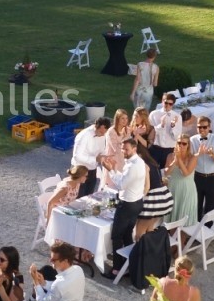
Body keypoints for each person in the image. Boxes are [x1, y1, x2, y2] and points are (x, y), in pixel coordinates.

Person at [106, 138, 146, 275]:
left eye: (126, 149)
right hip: (137, 202)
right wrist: (115, 170)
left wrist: (111, 171)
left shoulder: (132, 165)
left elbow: (122, 184)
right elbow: (125, 179)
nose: (123, 151)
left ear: (134, 149)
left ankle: (117, 269)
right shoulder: (139, 162)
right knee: (127, 234)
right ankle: (128, 264)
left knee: (116, 236)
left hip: (128, 205)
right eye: (122, 148)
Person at [190, 116, 214, 218]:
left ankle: (208, 230)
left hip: (212, 178)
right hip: (198, 177)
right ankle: (196, 229)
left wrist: (212, 154)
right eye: (199, 127)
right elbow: (190, 159)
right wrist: (198, 154)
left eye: (204, 127)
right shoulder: (192, 140)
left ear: (209, 127)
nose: (202, 130)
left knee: (210, 207)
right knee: (196, 206)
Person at [70, 117, 109, 198]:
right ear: (96, 126)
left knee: (89, 196)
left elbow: (102, 149)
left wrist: (104, 157)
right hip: (79, 170)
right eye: (101, 131)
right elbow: (77, 156)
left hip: (92, 170)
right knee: (78, 197)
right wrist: (95, 159)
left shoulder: (103, 134)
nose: (102, 134)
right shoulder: (84, 135)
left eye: (104, 132)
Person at [165, 134, 198, 225]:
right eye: (179, 143)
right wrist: (174, 161)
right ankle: (173, 238)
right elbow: (166, 172)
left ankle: (183, 239)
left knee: (184, 218)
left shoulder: (193, 157)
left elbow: (186, 174)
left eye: (184, 144)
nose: (181, 145)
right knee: (172, 218)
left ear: (188, 145)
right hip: (173, 188)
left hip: (187, 190)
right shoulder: (170, 156)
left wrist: (179, 160)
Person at [148, 95, 181, 168]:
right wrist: (161, 125)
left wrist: (173, 125)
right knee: (153, 170)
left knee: (166, 173)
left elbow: (176, 137)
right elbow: (150, 132)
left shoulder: (177, 116)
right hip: (155, 148)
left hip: (169, 150)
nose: (167, 105)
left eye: (170, 104)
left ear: (173, 104)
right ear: (162, 101)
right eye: (166, 103)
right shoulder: (153, 114)